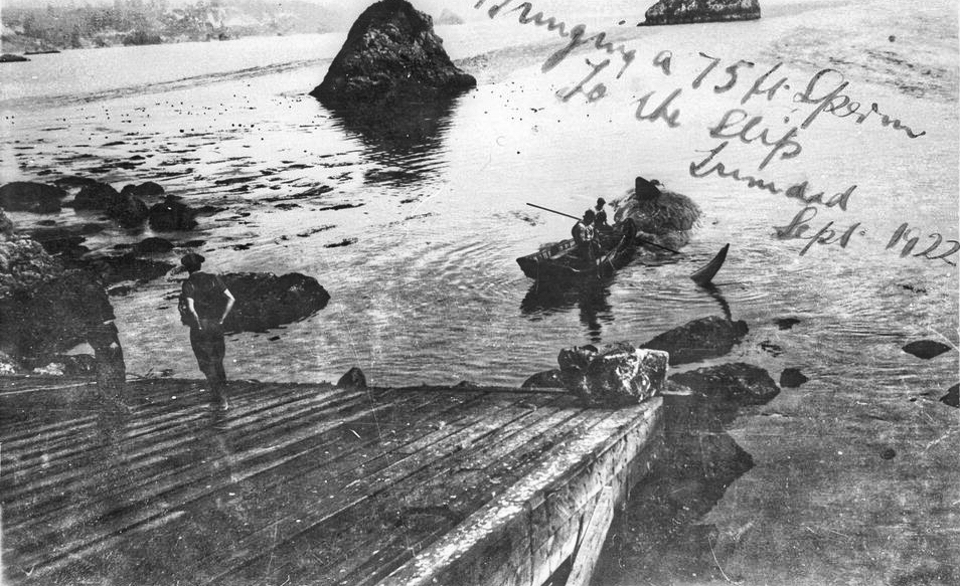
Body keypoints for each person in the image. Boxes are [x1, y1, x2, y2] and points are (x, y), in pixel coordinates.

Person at [179, 253, 235, 410]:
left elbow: (190, 309)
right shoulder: (213, 278)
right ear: (200, 265)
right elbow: (231, 299)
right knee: (218, 361)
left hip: (201, 326)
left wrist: (197, 324)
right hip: (216, 324)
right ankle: (223, 397)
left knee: (206, 364)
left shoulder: (188, 283)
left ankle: (221, 400)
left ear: (187, 268)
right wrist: (222, 318)